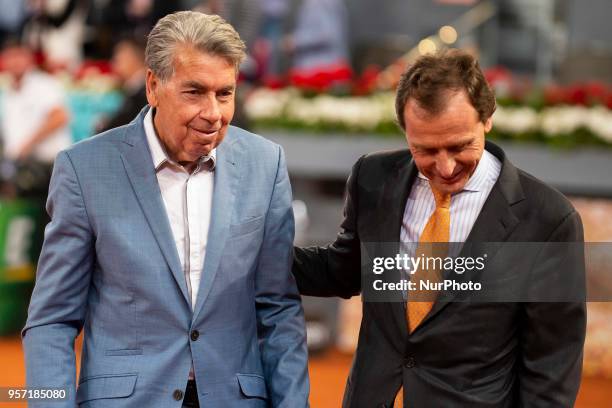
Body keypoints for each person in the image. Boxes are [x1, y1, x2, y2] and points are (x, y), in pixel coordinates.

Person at [23, 11, 309, 407]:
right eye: (194, 92)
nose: (213, 113)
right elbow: (52, 320)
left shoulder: (266, 164)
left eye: (224, 94)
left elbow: (278, 312)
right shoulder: (84, 169)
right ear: (153, 86)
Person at [293, 50, 585, 407]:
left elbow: (551, 368)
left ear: (487, 119)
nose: (445, 167)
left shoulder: (548, 219)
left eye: (460, 146)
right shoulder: (373, 178)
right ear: (405, 132)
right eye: (425, 150)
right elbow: (343, 271)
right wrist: (245, 251)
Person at [0, 38, 71, 165]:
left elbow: (60, 117)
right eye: (10, 56)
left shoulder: (44, 84)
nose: (15, 61)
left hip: (49, 165)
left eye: (19, 55)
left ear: (29, 58)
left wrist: (28, 145)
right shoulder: (7, 92)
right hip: (18, 166)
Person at [96, 36, 148, 133]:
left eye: (118, 59)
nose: (113, 64)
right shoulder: (133, 90)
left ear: (133, 59)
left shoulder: (142, 94)